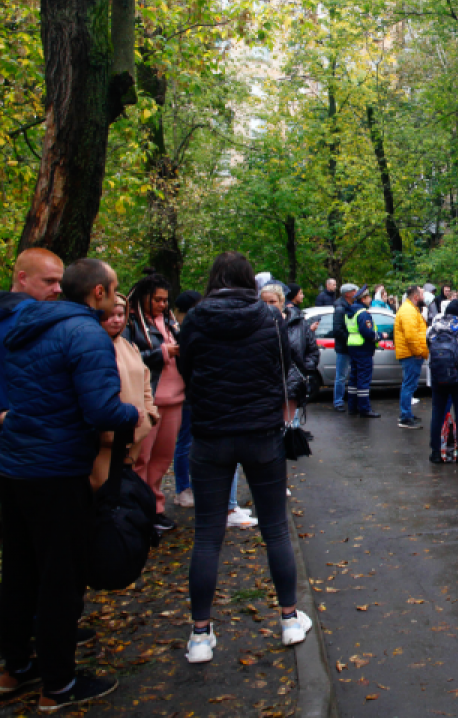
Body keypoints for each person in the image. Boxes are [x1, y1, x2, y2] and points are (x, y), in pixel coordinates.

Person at [0, 258, 139, 711]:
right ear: (98, 292)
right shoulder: (85, 334)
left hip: (14, 468)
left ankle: (15, 668)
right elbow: (101, 410)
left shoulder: (25, 326)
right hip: (57, 473)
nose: (117, 298)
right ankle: (57, 685)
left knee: (19, 573)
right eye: (114, 289)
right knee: (61, 579)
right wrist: (132, 414)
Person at [177, 252, 311, 665]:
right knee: (275, 530)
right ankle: (289, 619)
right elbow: (286, 365)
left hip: (211, 437)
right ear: (249, 280)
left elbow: (187, 370)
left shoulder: (195, 319)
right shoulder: (268, 317)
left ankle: (200, 634)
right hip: (261, 435)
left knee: (207, 536)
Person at [0, 248, 63, 457]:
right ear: (23, 278)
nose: (57, 289)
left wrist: (3, 417)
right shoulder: (36, 321)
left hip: (7, 447)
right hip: (46, 447)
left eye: (59, 282)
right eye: (49, 281)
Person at [124, 270, 184, 533]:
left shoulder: (170, 323)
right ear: (143, 298)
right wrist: (161, 352)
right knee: (141, 459)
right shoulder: (130, 323)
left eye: (165, 300)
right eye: (157, 300)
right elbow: (128, 360)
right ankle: (139, 511)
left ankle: (156, 508)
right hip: (148, 401)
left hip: (174, 400)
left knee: (162, 458)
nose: (162, 304)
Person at [91, 292, 159, 490]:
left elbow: (145, 380)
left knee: (128, 487)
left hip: (135, 434)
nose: (116, 320)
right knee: (102, 488)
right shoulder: (91, 346)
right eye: (109, 315)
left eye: (120, 315)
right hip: (105, 440)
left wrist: (149, 414)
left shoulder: (130, 347)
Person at [426, 300, 458, 462]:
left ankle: (435, 452)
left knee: (437, 413)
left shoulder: (433, 328)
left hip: (438, 376)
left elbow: (429, 346)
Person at [261, 284, 319, 423]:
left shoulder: (298, 323)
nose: (268, 306)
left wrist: (302, 372)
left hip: (292, 386)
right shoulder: (257, 325)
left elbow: (312, 351)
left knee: (290, 428)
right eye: (263, 303)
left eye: (272, 302)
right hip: (266, 388)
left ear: (282, 302)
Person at [171, 290, 202, 508]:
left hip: (192, 393)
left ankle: (188, 487)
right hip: (185, 394)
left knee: (189, 441)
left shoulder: (187, 329)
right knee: (185, 442)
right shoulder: (180, 331)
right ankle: (183, 488)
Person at [395, 286, 428, 429]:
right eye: (422, 295)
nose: (424, 298)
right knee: (409, 385)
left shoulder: (410, 309)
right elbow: (411, 336)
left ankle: (406, 414)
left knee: (409, 385)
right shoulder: (408, 311)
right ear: (416, 296)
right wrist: (419, 352)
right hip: (411, 354)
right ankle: (405, 417)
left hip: (411, 354)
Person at [344, 286, 380, 418]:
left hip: (353, 346)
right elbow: (367, 332)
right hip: (363, 348)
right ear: (363, 299)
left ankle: (352, 407)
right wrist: (380, 335)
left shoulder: (350, 311)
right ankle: (365, 409)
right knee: (363, 380)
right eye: (369, 297)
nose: (370, 299)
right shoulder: (363, 313)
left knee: (353, 379)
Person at [331, 283, 357, 412]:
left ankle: (342, 400)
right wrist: (350, 339)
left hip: (347, 345)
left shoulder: (347, 306)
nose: (356, 293)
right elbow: (337, 330)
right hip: (344, 347)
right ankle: (338, 402)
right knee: (341, 376)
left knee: (345, 375)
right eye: (354, 291)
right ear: (348, 294)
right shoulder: (341, 308)